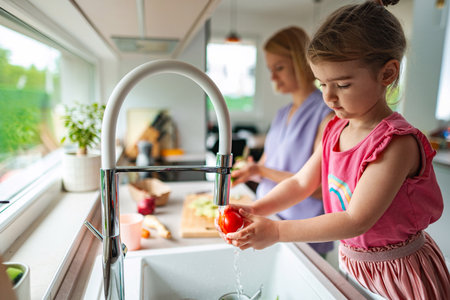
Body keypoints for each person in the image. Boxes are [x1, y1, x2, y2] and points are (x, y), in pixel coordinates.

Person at [221, 1, 450, 299]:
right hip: (354, 265)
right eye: (322, 83)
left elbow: (356, 219)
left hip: (399, 275)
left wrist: (277, 232)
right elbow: (301, 183)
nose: (328, 97)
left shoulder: (396, 143)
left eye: (342, 84)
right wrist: (256, 209)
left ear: (387, 74)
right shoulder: (335, 129)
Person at [230, 26, 334, 257]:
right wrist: (248, 171)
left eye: (279, 68)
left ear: (301, 63)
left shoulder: (326, 115)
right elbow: (267, 168)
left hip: (300, 229)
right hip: (268, 218)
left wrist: (260, 169)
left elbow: (318, 188)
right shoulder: (281, 114)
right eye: (270, 69)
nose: (273, 77)